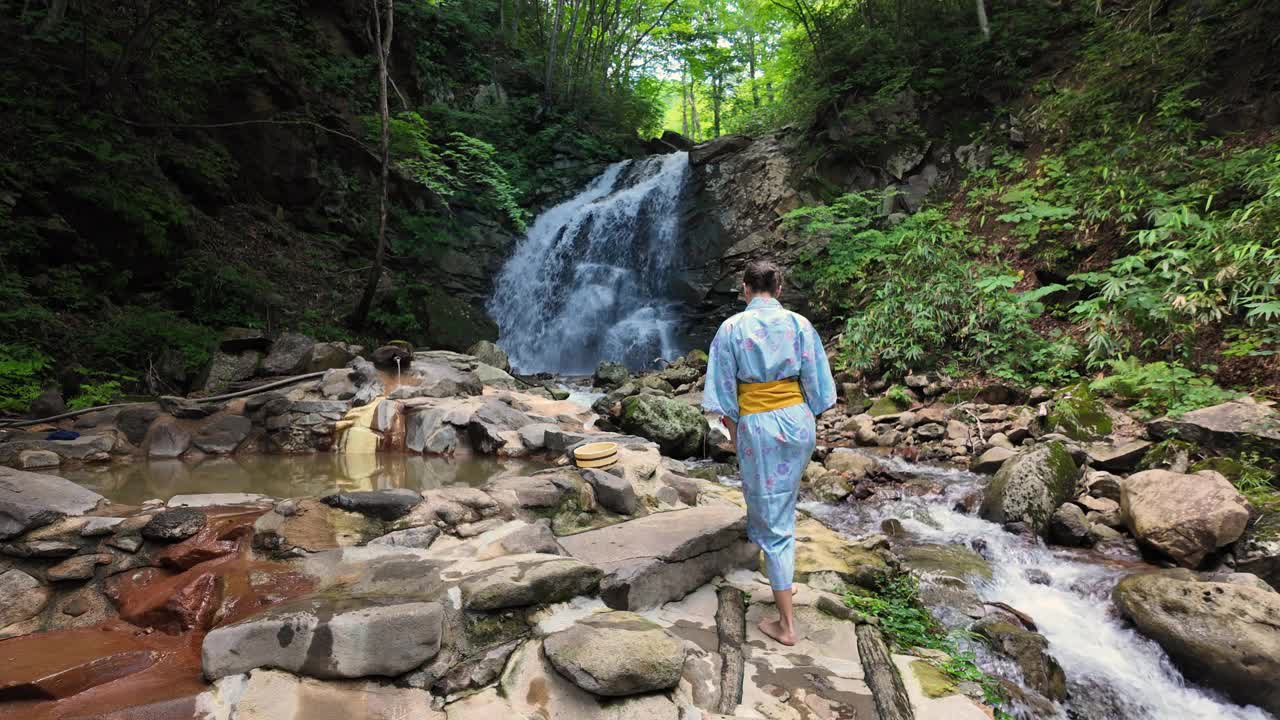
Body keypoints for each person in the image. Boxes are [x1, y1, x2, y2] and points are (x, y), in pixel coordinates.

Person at [702, 259, 837, 646]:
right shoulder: (799, 324)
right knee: (783, 503)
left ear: (745, 289)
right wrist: (803, 416)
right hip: (797, 420)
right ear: (778, 289)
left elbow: (723, 394)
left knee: (772, 519)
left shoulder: (731, 328)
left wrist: (732, 429)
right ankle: (784, 581)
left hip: (758, 424)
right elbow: (819, 386)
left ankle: (787, 626)